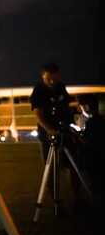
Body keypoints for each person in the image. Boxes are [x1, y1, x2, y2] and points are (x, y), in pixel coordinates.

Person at [30, 63, 83, 209]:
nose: (52, 82)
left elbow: (66, 105)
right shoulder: (38, 90)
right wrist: (49, 129)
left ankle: (78, 198)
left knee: (73, 165)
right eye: (49, 79)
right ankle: (56, 202)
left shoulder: (60, 87)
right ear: (43, 76)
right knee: (51, 169)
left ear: (58, 76)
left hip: (63, 131)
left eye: (54, 78)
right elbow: (38, 114)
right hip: (48, 135)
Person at [79, 94, 103, 203]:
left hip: (94, 159)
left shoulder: (91, 123)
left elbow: (87, 141)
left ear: (87, 107)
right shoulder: (101, 119)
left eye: (82, 106)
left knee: (95, 183)